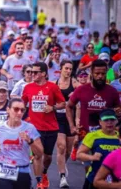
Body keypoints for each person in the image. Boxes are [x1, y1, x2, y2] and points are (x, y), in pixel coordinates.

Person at [66, 60, 120, 173]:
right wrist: (72, 126)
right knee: (89, 170)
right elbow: (69, 106)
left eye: (102, 73)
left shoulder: (112, 92)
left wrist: (117, 120)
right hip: (85, 135)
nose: (100, 76)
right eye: (97, 73)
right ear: (91, 72)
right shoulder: (81, 90)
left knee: (105, 169)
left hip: (106, 136)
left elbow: (118, 112)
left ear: (106, 73)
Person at [22, 62, 66, 189]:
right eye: (30, 72)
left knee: (47, 157)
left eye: (35, 72)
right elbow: (22, 105)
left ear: (44, 74)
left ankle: (44, 172)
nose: (32, 74)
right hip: (34, 128)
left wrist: (52, 107)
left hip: (51, 127)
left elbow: (63, 103)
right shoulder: (28, 87)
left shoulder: (52, 87)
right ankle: (39, 181)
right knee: (37, 155)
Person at [0, 98, 44, 188]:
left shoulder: (30, 128)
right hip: (4, 170)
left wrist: (30, 141)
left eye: (22, 110)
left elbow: (40, 153)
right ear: (8, 110)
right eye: (16, 109)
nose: (19, 113)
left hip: (23, 171)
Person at [77, 109, 120, 189]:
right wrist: (92, 157)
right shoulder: (93, 136)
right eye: (106, 120)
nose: (109, 122)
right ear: (100, 122)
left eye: (112, 120)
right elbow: (79, 155)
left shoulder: (119, 137)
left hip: (116, 181)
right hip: (95, 177)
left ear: (116, 121)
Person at [54, 60, 79, 188]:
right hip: (58, 119)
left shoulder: (74, 83)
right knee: (61, 147)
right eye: (66, 68)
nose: (68, 71)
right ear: (61, 69)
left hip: (70, 119)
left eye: (70, 69)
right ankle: (62, 176)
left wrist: (75, 95)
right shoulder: (54, 83)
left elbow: (82, 99)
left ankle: (63, 165)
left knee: (68, 149)